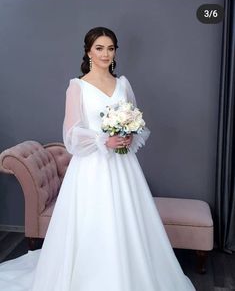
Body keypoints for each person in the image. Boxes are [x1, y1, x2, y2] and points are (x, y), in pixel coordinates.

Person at [0, 26, 196, 291]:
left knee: (128, 220)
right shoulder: (77, 86)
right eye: (99, 48)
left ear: (115, 52)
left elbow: (133, 119)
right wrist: (105, 140)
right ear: (88, 51)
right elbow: (71, 134)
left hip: (122, 165)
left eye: (110, 48)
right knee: (93, 221)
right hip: (92, 167)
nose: (105, 54)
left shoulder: (123, 84)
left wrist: (127, 136)